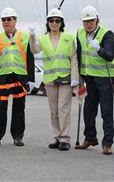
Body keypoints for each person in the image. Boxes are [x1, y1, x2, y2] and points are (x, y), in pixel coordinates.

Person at [0, 7, 35, 147]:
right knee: (0, 108)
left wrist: (31, 79)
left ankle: (18, 136)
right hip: (2, 77)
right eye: (4, 20)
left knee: (19, 109)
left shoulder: (25, 37)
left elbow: (30, 59)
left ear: (15, 20)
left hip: (19, 77)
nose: (6, 22)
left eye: (9, 19)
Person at [29, 8, 78, 151]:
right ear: (48, 23)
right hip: (50, 79)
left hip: (66, 78)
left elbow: (74, 58)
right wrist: (32, 36)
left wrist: (75, 77)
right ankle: (57, 137)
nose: (54, 23)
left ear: (61, 23)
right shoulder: (43, 39)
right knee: (54, 110)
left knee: (63, 108)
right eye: (51, 20)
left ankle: (65, 138)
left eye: (57, 20)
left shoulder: (69, 37)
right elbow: (34, 50)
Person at [74, 5, 114, 155]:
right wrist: (77, 76)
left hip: (105, 79)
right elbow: (78, 54)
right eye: (86, 21)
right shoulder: (79, 33)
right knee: (88, 110)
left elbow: (110, 56)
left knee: (106, 111)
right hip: (88, 78)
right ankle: (90, 138)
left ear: (97, 20)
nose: (89, 24)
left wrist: (99, 49)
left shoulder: (107, 34)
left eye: (91, 20)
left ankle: (107, 143)